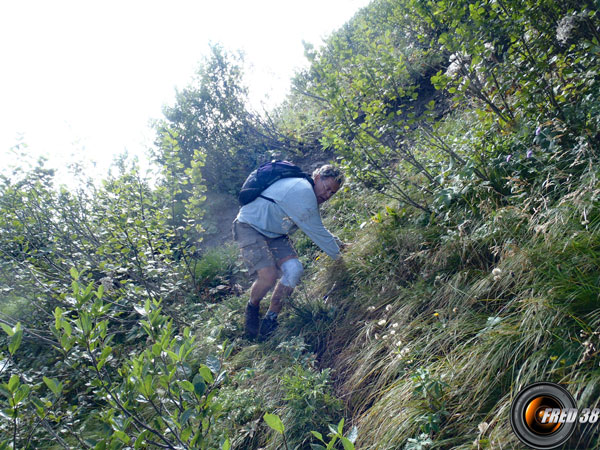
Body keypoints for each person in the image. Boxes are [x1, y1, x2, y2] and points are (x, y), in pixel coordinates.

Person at [232, 164, 344, 339]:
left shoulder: (307, 191)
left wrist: (340, 246)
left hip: (275, 233)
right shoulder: (302, 190)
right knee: (268, 276)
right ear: (316, 178)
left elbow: (316, 227)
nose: (327, 195)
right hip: (249, 226)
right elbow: (316, 231)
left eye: (333, 193)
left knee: (295, 269)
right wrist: (342, 256)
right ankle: (252, 307)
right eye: (327, 188)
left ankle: (271, 318)